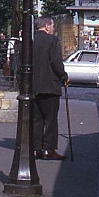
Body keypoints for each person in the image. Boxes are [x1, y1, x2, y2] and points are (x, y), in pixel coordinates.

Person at [31, 16, 69, 161]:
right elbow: (55, 62)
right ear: (47, 26)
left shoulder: (30, 41)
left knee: (37, 119)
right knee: (51, 119)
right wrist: (63, 76)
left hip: (34, 86)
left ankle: (36, 149)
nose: (53, 29)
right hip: (49, 85)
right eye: (52, 26)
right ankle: (49, 149)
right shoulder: (52, 40)